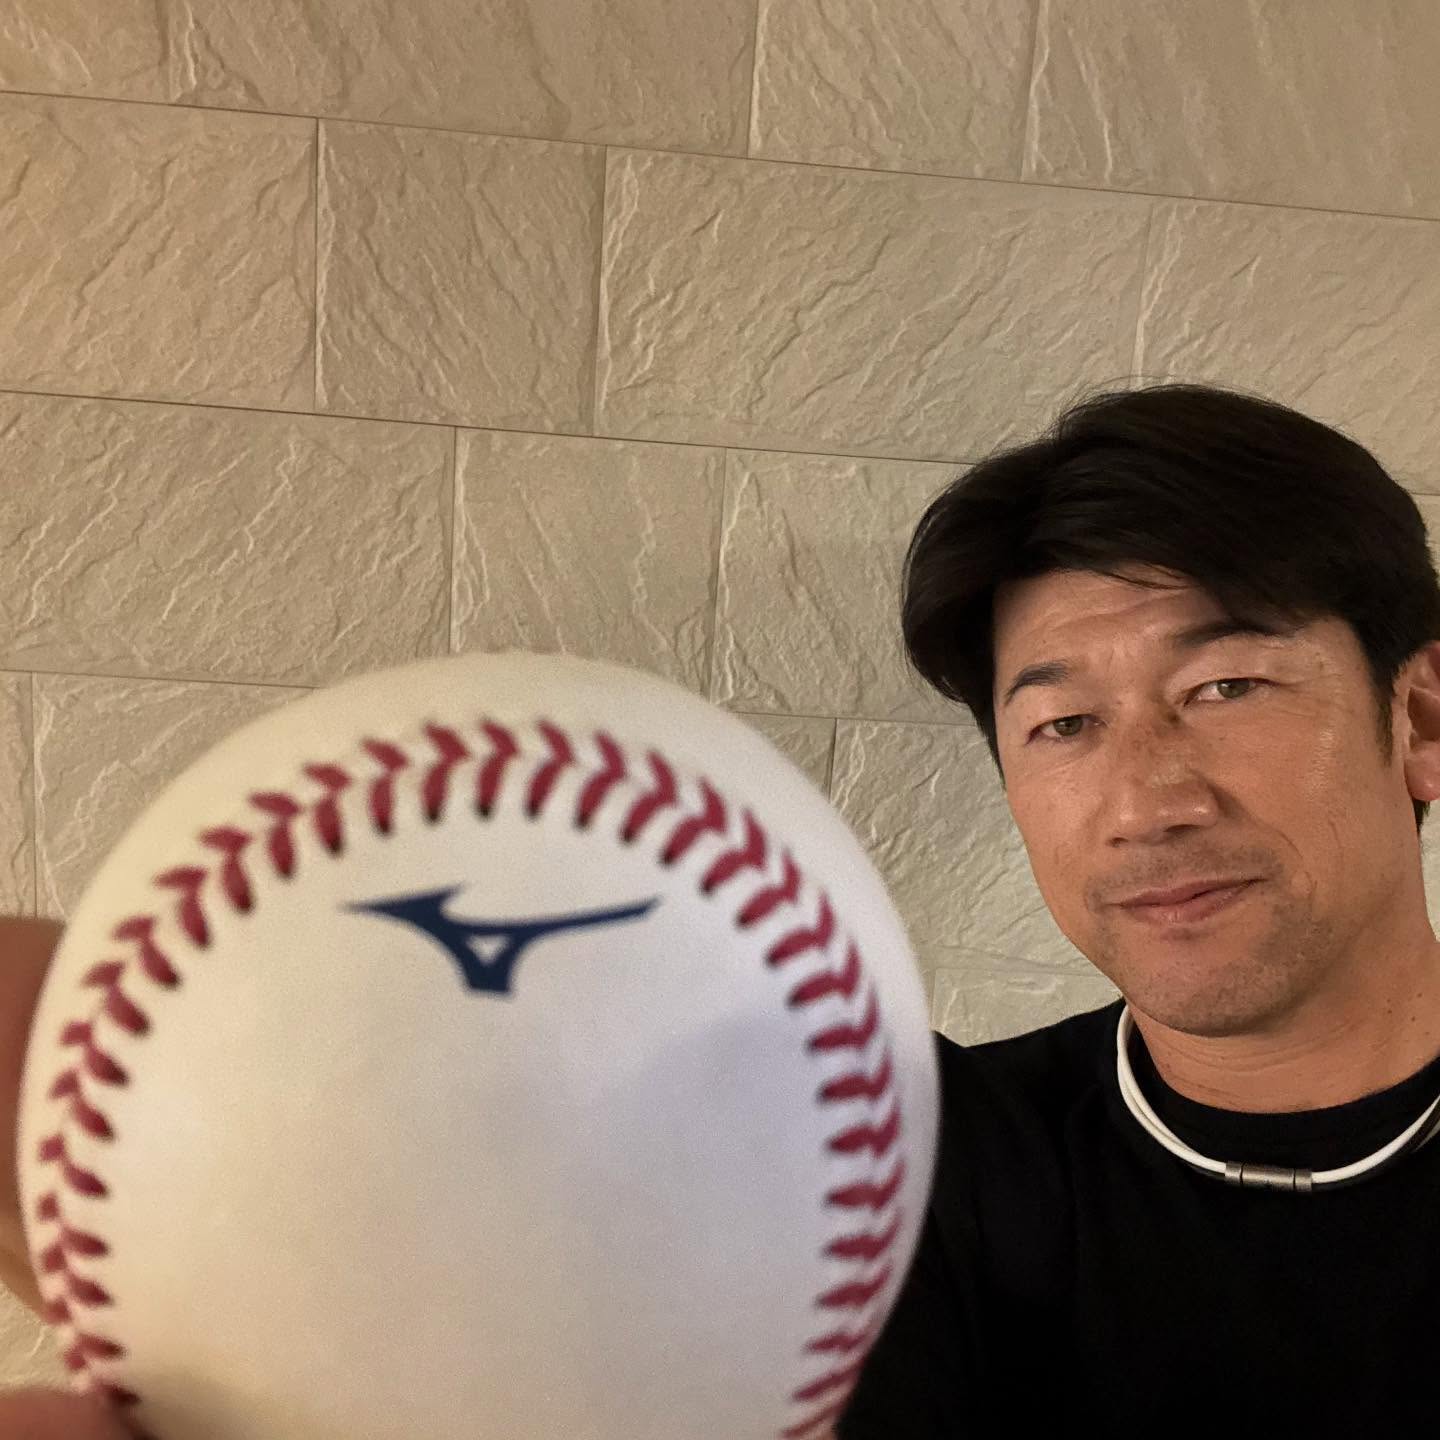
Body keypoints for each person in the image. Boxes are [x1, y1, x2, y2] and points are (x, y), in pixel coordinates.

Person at [836, 381, 1440, 1432]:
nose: (1146, 807)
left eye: (1225, 687)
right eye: (1065, 724)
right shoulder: (917, 1163)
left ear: (1422, 720)